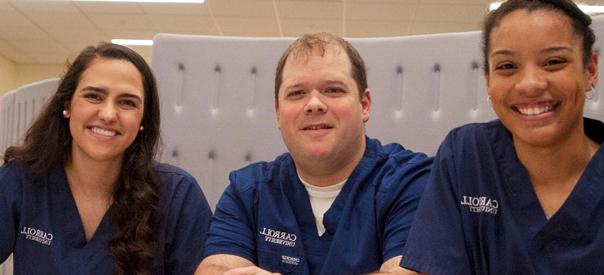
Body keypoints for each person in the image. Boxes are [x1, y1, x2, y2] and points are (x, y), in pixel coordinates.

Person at [401, 0, 604, 274]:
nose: (529, 84)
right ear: (488, 79)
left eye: (553, 62)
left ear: (590, 70)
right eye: (506, 66)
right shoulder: (466, 155)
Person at [195, 33, 432, 274]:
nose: (314, 104)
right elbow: (215, 267)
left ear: (365, 105)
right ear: (278, 112)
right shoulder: (248, 191)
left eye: (333, 90)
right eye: (297, 93)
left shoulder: (412, 182)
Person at [0, 43, 212, 274]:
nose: (108, 114)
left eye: (127, 102)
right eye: (94, 96)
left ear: (143, 119)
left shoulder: (177, 195)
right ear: (67, 105)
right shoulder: (22, 180)